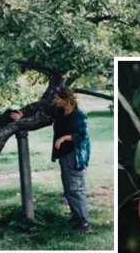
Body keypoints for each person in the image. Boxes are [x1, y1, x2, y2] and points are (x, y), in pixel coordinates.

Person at [11, 87, 91, 232]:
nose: (54, 101)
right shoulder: (59, 111)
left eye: (57, 98)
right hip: (65, 155)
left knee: (75, 188)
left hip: (75, 155)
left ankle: (84, 222)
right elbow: (40, 110)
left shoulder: (79, 116)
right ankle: (76, 217)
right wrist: (23, 114)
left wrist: (64, 138)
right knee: (68, 189)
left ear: (65, 99)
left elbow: (82, 136)